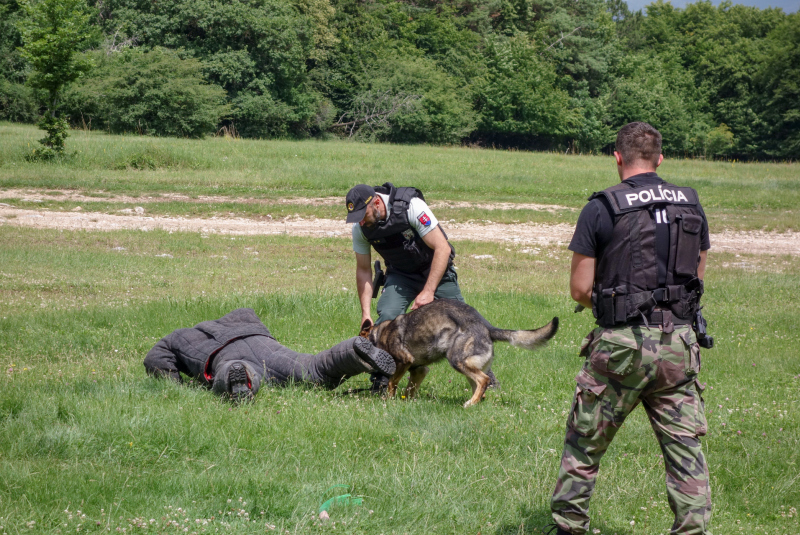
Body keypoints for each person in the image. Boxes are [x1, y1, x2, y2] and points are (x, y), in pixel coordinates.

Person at [547, 122, 712, 535]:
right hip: (679, 344)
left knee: (584, 446)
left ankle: (569, 528)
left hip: (621, 347)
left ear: (617, 157)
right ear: (660, 158)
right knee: (685, 452)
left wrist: (617, 304)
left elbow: (580, 289)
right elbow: (697, 279)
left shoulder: (602, 207)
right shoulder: (690, 205)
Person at [344, 182, 497, 391]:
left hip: (434, 269)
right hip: (401, 274)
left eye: (363, 214)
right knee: (387, 314)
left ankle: (486, 377)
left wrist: (428, 291)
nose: (360, 221)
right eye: (357, 217)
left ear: (377, 203)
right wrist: (366, 314)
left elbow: (442, 248)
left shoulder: (411, 206)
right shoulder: (360, 228)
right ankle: (382, 379)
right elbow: (363, 270)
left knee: (464, 319)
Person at [144, 308, 396, 402]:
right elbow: (249, 313)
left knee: (231, 369)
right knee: (313, 368)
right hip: (260, 341)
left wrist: (176, 384)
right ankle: (354, 350)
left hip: (222, 355)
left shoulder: (179, 336)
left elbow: (154, 359)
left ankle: (240, 381)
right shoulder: (238, 315)